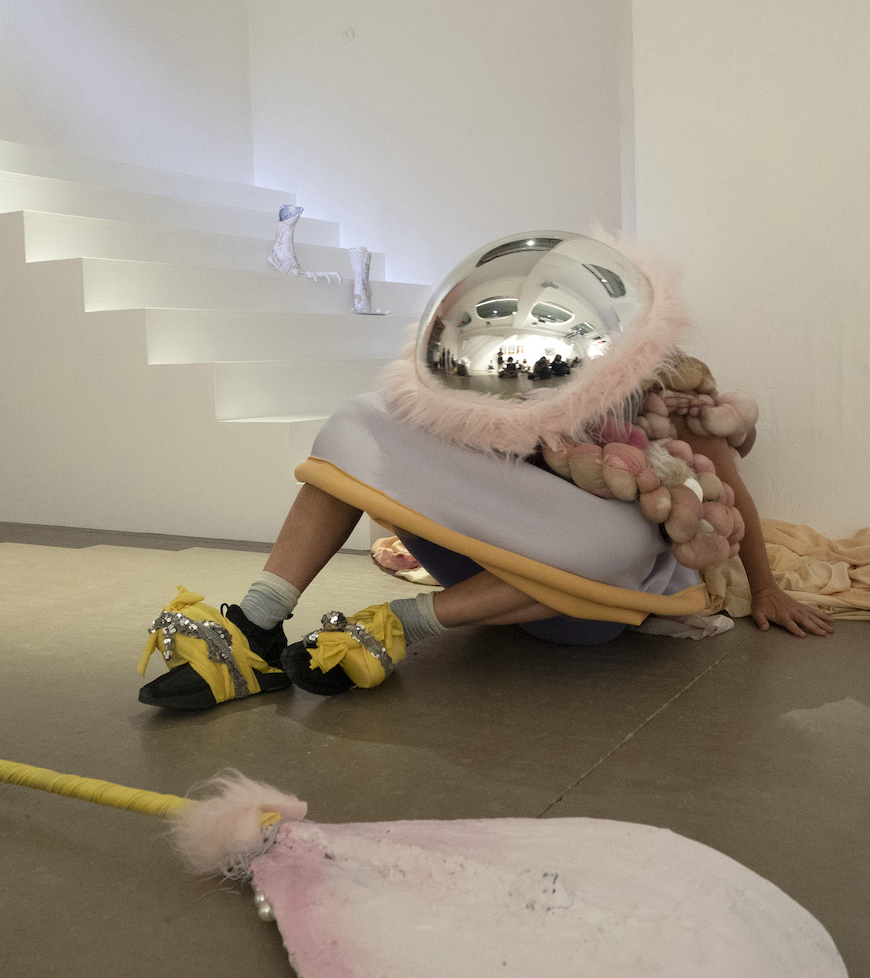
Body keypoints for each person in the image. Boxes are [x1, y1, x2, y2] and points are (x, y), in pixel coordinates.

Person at [139, 232, 831, 711]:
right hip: (496, 557)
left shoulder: (670, 397)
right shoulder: (508, 376)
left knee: (619, 538)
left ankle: (400, 626)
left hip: (586, 604)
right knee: (358, 420)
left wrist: (766, 588)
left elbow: (727, 490)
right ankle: (257, 623)